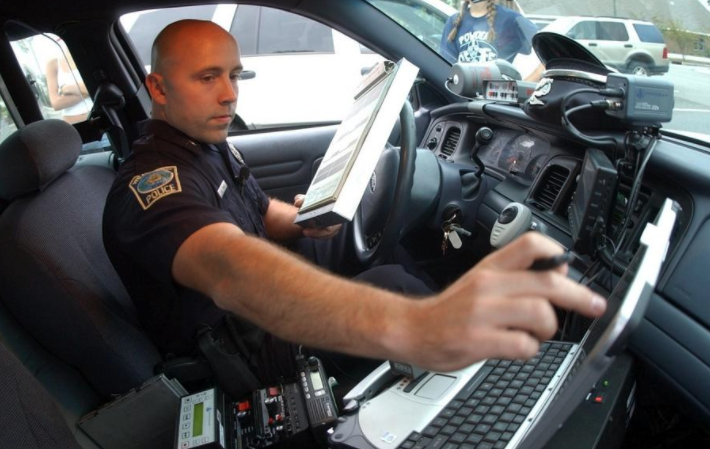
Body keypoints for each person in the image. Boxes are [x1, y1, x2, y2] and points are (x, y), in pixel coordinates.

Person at [103, 20, 605, 388]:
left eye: (235, 76)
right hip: (240, 345)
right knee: (394, 287)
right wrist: (417, 322)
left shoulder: (204, 144)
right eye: (207, 78)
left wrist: (306, 220)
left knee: (369, 241)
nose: (229, 95)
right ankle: (484, 380)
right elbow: (230, 268)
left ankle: (454, 341)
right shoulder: (152, 186)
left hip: (250, 314)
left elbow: (258, 213)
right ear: (158, 88)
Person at [440, 0, 541, 78]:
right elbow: (446, 68)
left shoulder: (510, 19)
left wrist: (521, 88)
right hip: (463, 95)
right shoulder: (453, 22)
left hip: (496, 96)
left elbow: (547, 47)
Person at [45, 49, 93, 124]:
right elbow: (56, 104)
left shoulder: (91, 57)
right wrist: (88, 91)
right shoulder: (53, 64)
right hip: (73, 125)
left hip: (98, 119)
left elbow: (96, 86)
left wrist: (67, 88)